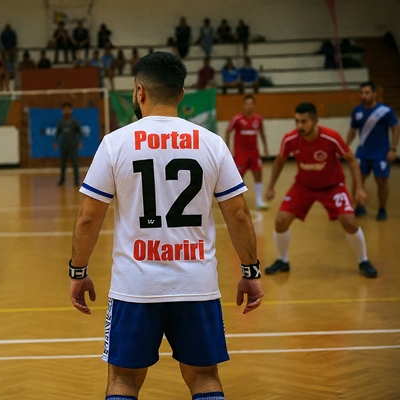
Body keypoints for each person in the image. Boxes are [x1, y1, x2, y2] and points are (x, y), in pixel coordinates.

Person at [67, 51, 263, 399]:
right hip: (197, 285)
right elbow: (239, 215)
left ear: (139, 92)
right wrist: (250, 270)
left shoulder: (115, 143)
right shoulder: (212, 143)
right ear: (181, 93)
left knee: (123, 380)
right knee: (204, 377)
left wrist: (78, 271)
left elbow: (87, 218)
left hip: (135, 287)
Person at [265, 102, 377, 278]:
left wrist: (360, 189)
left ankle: (363, 260)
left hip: (333, 186)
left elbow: (351, 159)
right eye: (297, 121)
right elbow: (279, 161)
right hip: (304, 186)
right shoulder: (290, 139)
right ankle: (282, 260)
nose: (299, 126)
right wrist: (271, 186)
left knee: (349, 221)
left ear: (315, 121)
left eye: (304, 121)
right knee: (281, 221)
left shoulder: (331, 137)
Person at [347, 81, 399, 220]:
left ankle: (382, 209)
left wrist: (393, 149)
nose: (364, 96)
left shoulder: (385, 111)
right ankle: (360, 206)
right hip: (363, 152)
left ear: (374, 94)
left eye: (367, 93)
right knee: (358, 180)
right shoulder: (357, 111)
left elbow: (395, 128)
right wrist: (344, 146)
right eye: (361, 93)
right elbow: (352, 131)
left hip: (381, 153)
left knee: (381, 181)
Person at [225, 95, 269, 209]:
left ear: (254, 105)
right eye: (247, 104)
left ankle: (259, 201)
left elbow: (262, 133)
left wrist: (265, 147)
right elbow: (228, 131)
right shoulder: (237, 119)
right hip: (241, 153)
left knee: (258, 174)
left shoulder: (258, 119)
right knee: (239, 177)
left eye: (251, 104)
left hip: (254, 152)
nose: (249, 106)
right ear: (243, 105)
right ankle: (236, 201)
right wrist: (227, 147)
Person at [54, 102, 83, 186]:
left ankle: (76, 180)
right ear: (62, 111)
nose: (66, 111)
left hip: (73, 145)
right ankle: (62, 180)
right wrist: (55, 142)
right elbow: (57, 133)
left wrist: (80, 141)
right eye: (65, 109)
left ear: (71, 110)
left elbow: (80, 132)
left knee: (75, 163)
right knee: (63, 164)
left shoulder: (74, 121)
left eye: (68, 109)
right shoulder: (61, 122)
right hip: (64, 145)